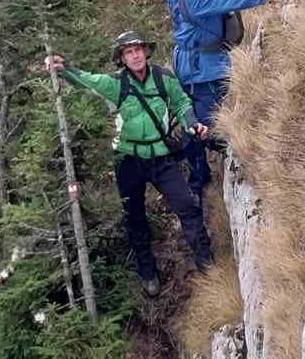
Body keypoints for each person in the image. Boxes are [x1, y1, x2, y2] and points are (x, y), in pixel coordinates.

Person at [45, 31, 214, 296]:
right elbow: (87, 81)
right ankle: (148, 274)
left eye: (138, 50)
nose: (135, 56)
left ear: (146, 52)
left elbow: (182, 103)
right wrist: (63, 68)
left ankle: (206, 264)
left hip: (161, 156)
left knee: (187, 206)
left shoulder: (163, 78)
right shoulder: (115, 84)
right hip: (128, 160)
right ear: (122, 59)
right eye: (128, 52)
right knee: (135, 218)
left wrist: (192, 124)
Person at [149, 0, 299, 199]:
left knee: (201, 131)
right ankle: (203, 170)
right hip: (191, 73)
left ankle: (221, 165)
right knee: (191, 128)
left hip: (206, 76)